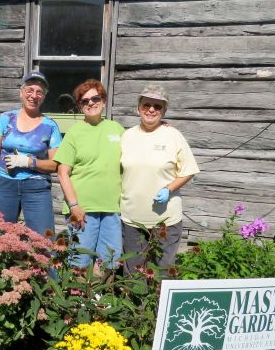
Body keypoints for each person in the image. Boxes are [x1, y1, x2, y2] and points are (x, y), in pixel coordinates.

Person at [120, 83, 199, 273]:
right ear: (138, 107)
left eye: (157, 106)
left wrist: (169, 189)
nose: (151, 110)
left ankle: (157, 304)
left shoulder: (173, 135)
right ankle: (134, 303)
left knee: (161, 274)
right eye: (147, 105)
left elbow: (188, 170)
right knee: (133, 273)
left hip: (165, 221)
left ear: (164, 111)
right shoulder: (127, 136)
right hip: (132, 220)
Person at [55, 79, 124, 270]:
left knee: (110, 261)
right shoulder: (74, 133)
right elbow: (63, 172)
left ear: (103, 100)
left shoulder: (116, 129)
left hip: (111, 207)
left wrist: (161, 126)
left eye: (95, 98)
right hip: (82, 210)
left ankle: (101, 300)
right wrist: (74, 205)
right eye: (84, 101)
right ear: (79, 106)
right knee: (79, 261)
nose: (91, 103)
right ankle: (77, 300)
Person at [0, 71, 62, 235]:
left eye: (39, 92)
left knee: (44, 239)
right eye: (29, 90)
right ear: (21, 92)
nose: (33, 95)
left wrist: (30, 162)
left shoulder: (50, 126)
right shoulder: (6, 119)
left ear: (43, 97)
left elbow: (54, 165)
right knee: (0, 237)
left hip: (36, 186)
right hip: (4, 185)